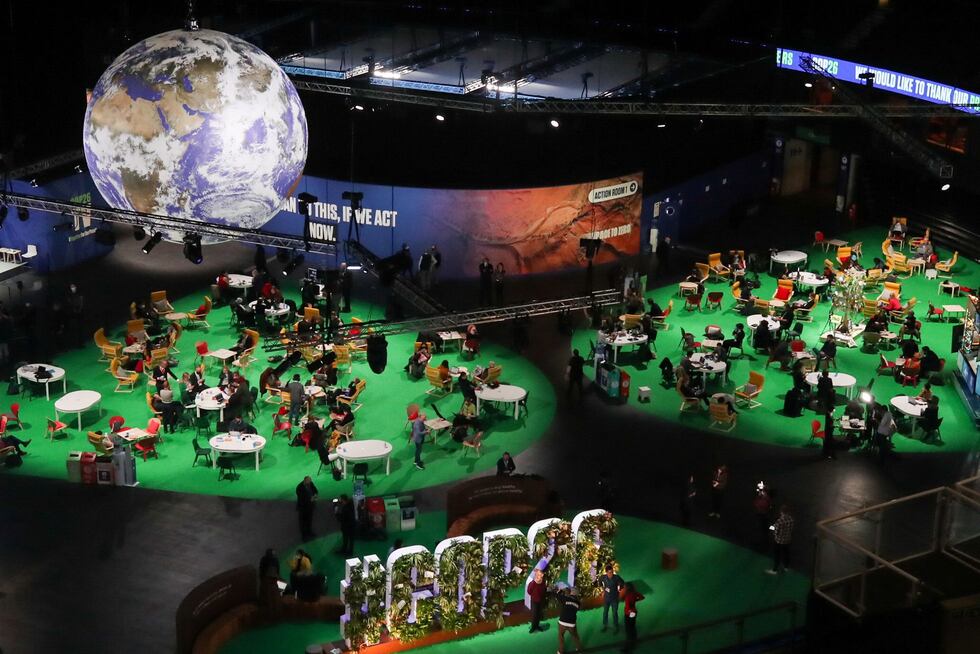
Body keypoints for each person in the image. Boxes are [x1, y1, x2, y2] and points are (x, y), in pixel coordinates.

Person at [767, 504, 794, 574]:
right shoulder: (791, 519)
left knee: (777, 555)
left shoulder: (779, 521)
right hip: (787, 540)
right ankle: (786, 567)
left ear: (781, 512)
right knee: (786, 553)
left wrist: (771, 527)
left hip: (779, 541)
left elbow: (775, 531)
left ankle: (775, 570)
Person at [556, 586, 582, 654]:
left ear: (571, 592)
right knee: (575, 636)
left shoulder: (565, 598)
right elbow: (577, 607)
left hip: (562, 622)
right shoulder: (578, 603)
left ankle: (560, 651)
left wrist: (559, 591)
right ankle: (579, 649)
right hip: (571, 624)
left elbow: (557, 596)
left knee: (561, 636)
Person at [621, 581, 645, 653]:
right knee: (633, 628)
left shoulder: (628, 596)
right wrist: (635, 600)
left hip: (629, 613)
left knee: (629, 630)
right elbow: (642, 597)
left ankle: (628, 647)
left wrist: (628, 612)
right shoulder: (634, 593)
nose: (624, 588)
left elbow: (628, 607)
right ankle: (634, 642)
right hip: (634, 612)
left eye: (625, 587)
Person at [601, 563, 624, 633]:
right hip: (606, 598)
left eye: (612, 572)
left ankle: (616, 626)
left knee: (614, 613)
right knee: (605, 612)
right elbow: (599, 582)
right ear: (606, 572)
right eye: (609, 572)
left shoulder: (616, 577)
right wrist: (602, 589)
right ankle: (605, 625)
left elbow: (622, 583)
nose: (611, 574)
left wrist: (620, 588)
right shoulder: (603, 577)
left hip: (614, 598)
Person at [295, 476, 319, 541]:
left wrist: (315, 495)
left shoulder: (310, 483)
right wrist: (310, 499)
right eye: (308, 482)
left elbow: (315, 490)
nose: (309, 483)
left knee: (309, 520)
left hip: (310, 506)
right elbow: (301, 498)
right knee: (303, 522)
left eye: (310, 481)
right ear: (305, 481)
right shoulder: (299, 488)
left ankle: (309, 531)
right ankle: (304, 536)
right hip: (303, 507)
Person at [527, 568, 547, 633]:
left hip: (541, 601)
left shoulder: (543, 582)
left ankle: (537, 626)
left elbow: (544, 590)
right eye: (538, 575)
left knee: (539, 614)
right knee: (534, 614)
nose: (540, 576)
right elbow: (529, 591)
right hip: (534, 601)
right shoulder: (532, 583)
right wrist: (534, 596)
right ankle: (533, 627)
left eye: (541, 575)